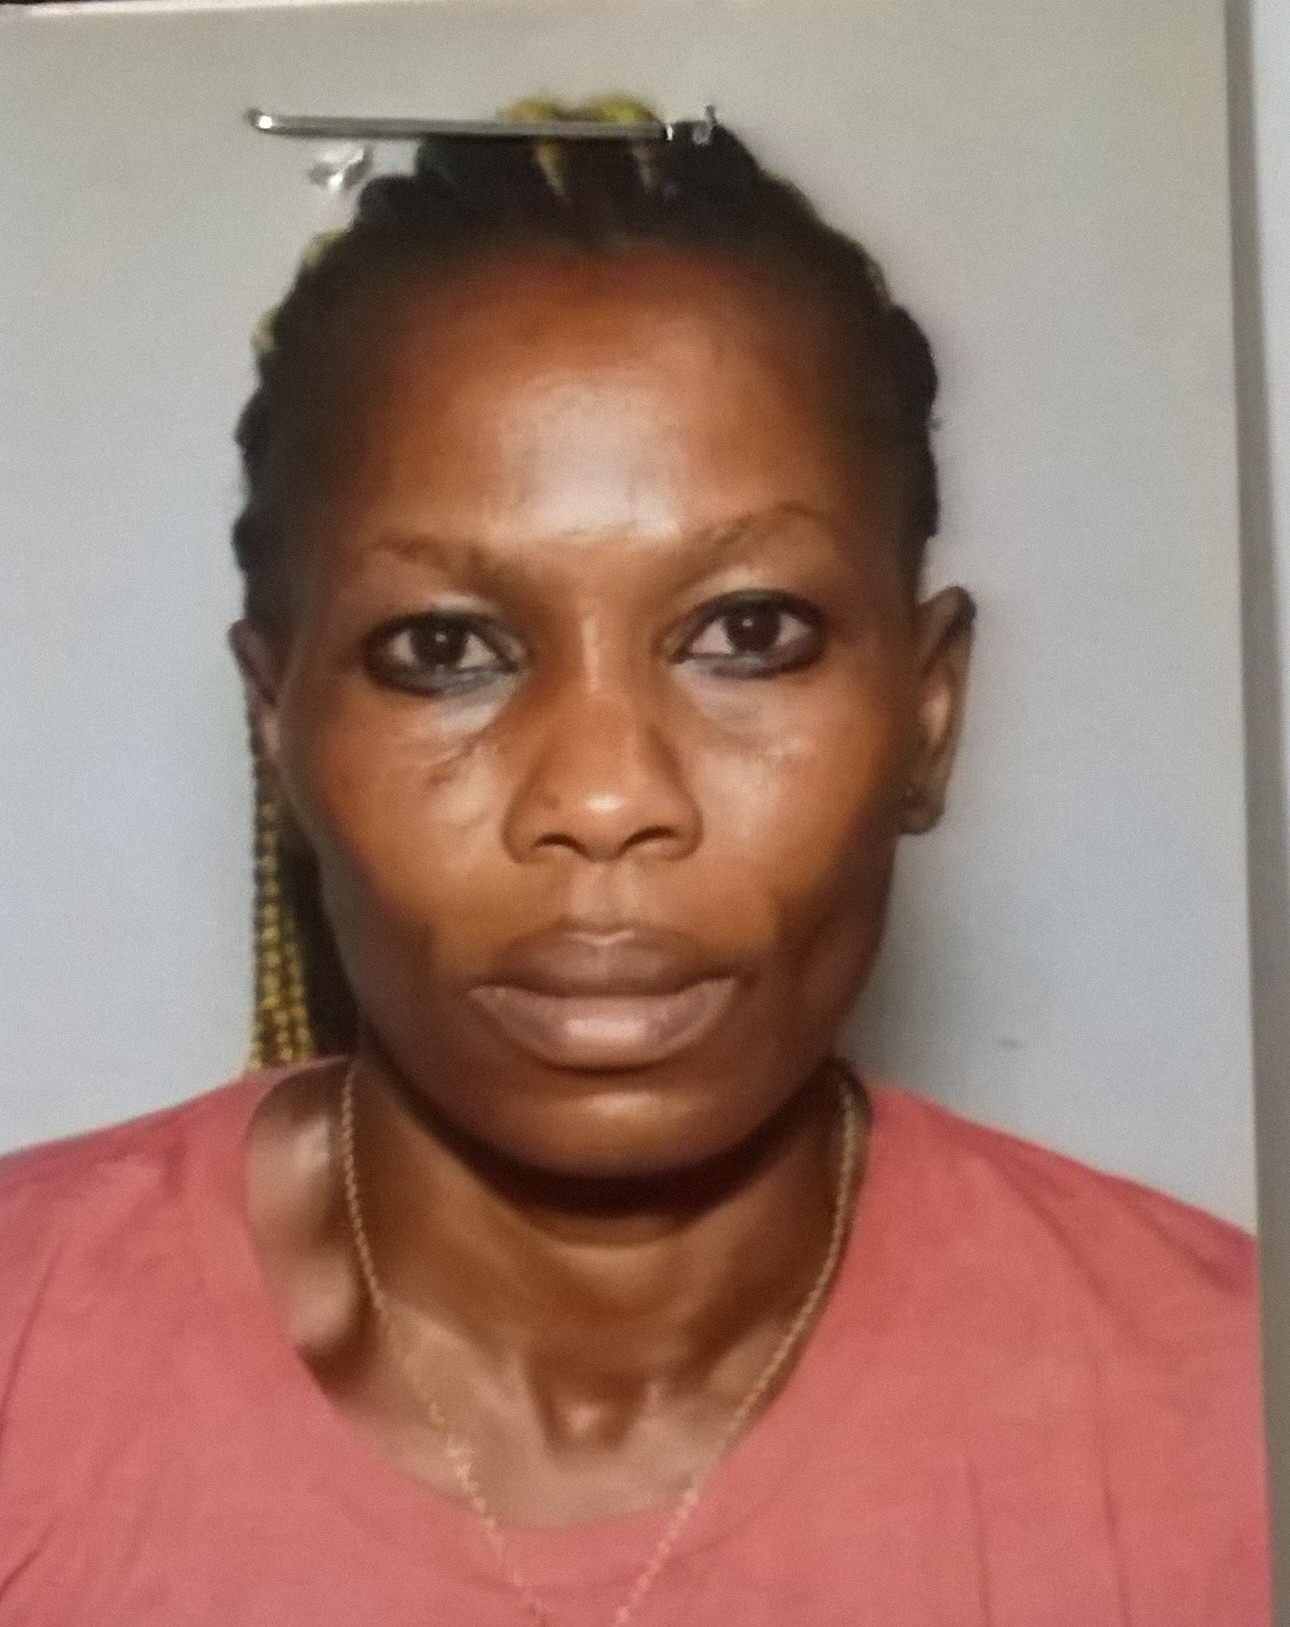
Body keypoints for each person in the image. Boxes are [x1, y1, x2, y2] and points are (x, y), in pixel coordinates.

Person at [0, 98, 1268, 1627]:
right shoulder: (29, 1360)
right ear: (279, 731)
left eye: (748, 633)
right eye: (444, 650)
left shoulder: (1222, 1419)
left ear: (927, 718)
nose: (604, 800)